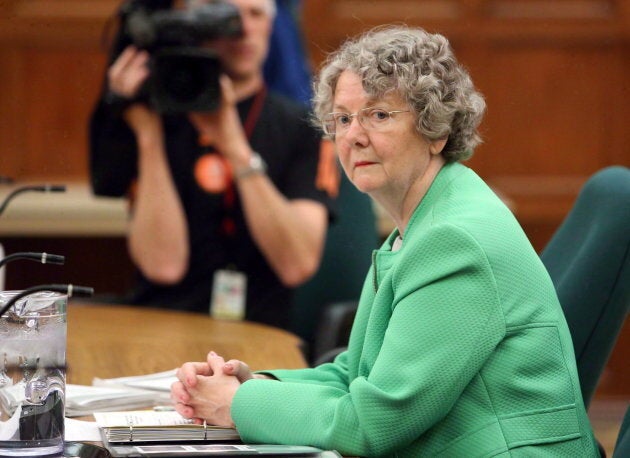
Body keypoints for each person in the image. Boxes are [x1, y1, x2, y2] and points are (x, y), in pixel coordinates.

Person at [170, 25, 600, 456]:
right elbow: (357, 373)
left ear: (437, 130)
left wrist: (239, 405)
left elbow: (373, 423)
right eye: (342, 118)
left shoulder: (454, 240)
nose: (353, 135)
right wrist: (255, 384)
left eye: (378, 115)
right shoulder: (421, 222)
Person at [88, 0, 338, 329]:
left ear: (272, 26)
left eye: (255, 14)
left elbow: (296, 264)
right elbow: (163, 265)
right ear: (197, 26)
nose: (243, 30)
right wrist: (148, 136)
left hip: (259, 330)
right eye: (228, 17)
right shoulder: (154, 118)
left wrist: (235, 147)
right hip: (160, 324)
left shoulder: (304, 127)